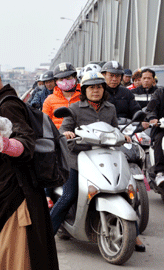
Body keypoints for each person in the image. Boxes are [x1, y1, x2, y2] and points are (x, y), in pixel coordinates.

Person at [0, 60, 62, 270]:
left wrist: (3, 144)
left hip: (17, 200)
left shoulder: (7, 105)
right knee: (19, 267)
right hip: (14, 198)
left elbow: (25, 143)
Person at [51, 71, 146, 251]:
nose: (96, 90)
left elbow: (115, 129)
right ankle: (48, 233)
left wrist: (123, 135)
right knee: (69, 195)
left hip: (105, 156)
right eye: (92, 87)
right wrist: (66, 133)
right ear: (85, 90)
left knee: (126, 190)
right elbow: (64, 128)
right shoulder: (75, 109)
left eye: (99, 87)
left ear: (104, 90)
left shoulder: (110, 108)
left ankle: (135, 234)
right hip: (79, 157)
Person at [42, 62, 81, 129]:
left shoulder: (84, 97)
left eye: (68, 77)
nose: (65, 81)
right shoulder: (50, 100)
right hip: (59, 137)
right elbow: (44, 123)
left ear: (75, 78)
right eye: (61, 79)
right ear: (56, 81)